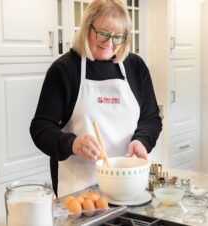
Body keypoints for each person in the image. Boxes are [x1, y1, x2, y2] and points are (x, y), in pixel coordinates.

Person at [30, 0, 162, 197]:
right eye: (103, 34)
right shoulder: (64, 70)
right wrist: (72, 144)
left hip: (129, 183)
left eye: (118, 37)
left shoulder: (135, 67)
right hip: (81, 190)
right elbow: (40, 128)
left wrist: (142, 140)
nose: (110, 44)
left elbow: (151, 118)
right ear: (86, 29)